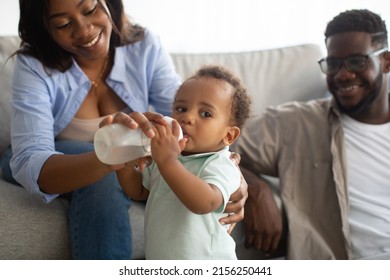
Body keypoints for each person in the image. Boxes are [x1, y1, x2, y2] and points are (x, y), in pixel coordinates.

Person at [0, 0, 247, 259]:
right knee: (104, 174)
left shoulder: (143, 45)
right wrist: (110, 160)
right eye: (63, 23)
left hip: (130, 157)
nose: (84, 30)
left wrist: (236, 177)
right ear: (44, 27)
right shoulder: (34, 64)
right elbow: (30, 159)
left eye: (90, 9)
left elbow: (193, 122)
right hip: (54, 157)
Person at [232, 9, 390, 260]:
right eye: (334, 64)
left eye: (357, 61)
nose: (344, 74)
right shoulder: (295, 122)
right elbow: (212, 144)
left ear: (385, 62)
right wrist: (254, 187)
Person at [107, 65, 252, 259]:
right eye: (181, 108)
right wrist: (124, 165)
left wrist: (167, 160)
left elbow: (205, 202)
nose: (187, 118)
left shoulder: (221, 164)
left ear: (228, 135)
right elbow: (139, 191)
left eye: (205, 114)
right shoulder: (166, 155)